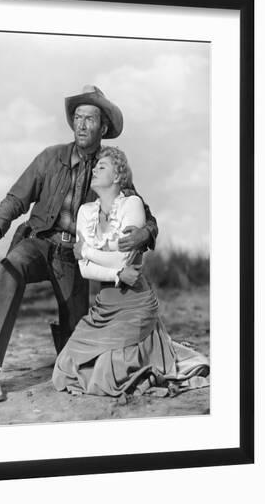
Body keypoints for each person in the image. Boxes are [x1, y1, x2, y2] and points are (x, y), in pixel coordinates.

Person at [0, 85, 158, 402]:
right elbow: (16, 197)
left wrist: (145, 233)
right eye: (77, 117)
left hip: (73, 258)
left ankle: (65, 355)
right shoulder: (50, 158)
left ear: (103, 127)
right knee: (9, 269)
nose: (81, 124)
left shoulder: (109, 170)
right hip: (38, 242)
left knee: (75, 350)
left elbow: (144, 214)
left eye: (89, 119)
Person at [52, 146, 210, 399]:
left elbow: (121, 259)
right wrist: (114, 274)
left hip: (135, 302)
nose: (93, 170)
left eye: (101, 167)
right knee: (65, 365)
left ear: (117, 176)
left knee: (108, 371)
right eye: (94, 166)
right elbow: (85, 270)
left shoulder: (132, 204)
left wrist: (87, 251)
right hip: (104, 305)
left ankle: (150, 348)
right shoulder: (85, 212)